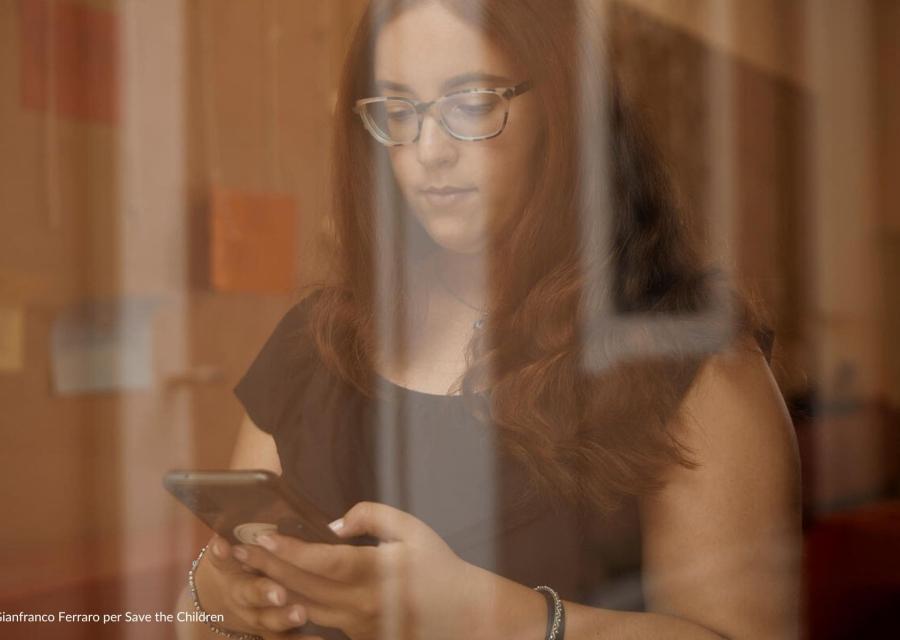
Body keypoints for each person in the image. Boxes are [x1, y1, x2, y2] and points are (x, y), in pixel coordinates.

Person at [176, 0, 801, 638]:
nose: (428, 150)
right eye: (396, 112)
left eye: (471, 104)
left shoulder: (689, 355)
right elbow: (187, 621)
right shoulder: (318, 338)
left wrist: (488, 620)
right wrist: (213, 592)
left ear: (563, 112)